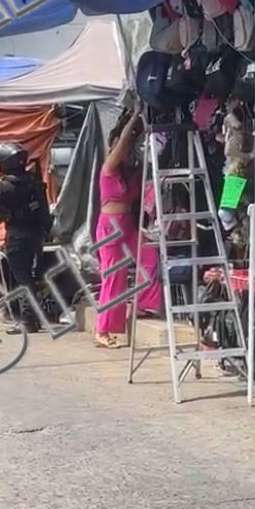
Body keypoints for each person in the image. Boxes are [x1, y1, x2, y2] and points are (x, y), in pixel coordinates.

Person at [90, 109, 164, 349]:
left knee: (149, 255)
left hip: (128, 225)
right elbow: (122, 143)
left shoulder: (132, 171)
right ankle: (102, 330)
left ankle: (144, 303)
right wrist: (132, 120)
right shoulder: (108, 169)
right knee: (114, 277)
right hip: (109, 227)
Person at [0, 142, 52, 335]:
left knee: (23, 279)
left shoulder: (4, 186)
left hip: (17, 236)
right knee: (31, 276)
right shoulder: (34, 182)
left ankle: (27, 321)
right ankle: (33, 319)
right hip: (36, 235)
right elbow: (44, 211)